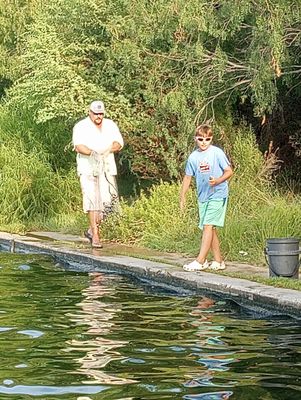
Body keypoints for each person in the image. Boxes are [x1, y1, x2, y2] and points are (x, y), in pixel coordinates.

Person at [180, 124, 233, 271]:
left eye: (207, 139)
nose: (204, 142)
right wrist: (182, 197)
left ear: (211, 139)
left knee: (207, 225)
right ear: (195, 139)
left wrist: (218, 181)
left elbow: (229, 171)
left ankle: (200, 260)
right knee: (210, 228)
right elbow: (187, 177)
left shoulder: (217, 153)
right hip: (203, 196)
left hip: (218, 193)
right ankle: (218, 260)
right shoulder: (193, 157)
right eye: (201, 139)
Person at [72, 100, 124, 248]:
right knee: (92, 201)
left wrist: (109, 149)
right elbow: (78, 146)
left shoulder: (110, 125)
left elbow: (118, 143)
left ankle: (90, 229)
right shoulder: (81, 126)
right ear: (90, 112)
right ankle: (95, 234)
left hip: (106, 168)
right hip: (88, 168)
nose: (98, 116)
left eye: (101, 113)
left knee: (108, 203)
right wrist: (92, 152)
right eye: (96, 113)